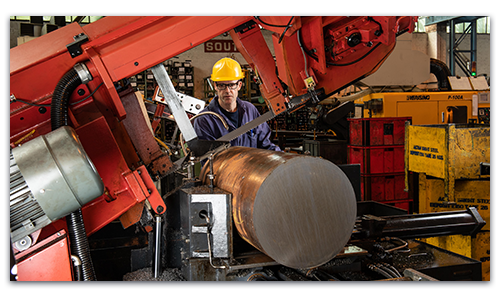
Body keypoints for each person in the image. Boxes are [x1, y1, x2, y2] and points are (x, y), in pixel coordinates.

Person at [193, 58, 280, 151]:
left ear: (239, 85)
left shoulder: (250, 110)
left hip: (252, 165)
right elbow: (208, 160)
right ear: (215, 86)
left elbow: (265, 145)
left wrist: (283, 160)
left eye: (231, 85)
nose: (227, 91)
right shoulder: (204, 120)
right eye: (222, 85)